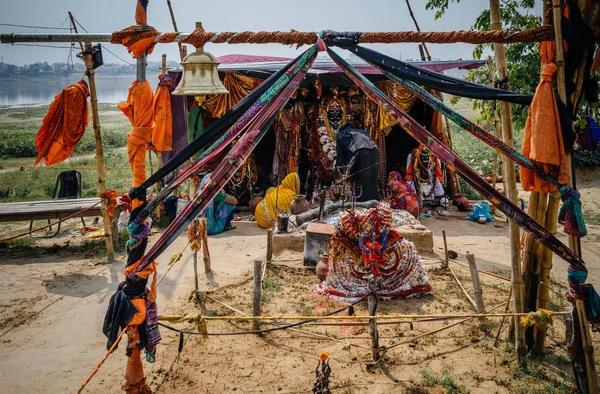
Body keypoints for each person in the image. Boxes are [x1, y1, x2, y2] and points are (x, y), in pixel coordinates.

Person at [335, 117, 380, 202]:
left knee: (358, 180)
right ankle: (375, 201)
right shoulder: (362, 132)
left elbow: (340, 158)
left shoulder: (340, 135)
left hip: (361, 152)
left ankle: (361, 204)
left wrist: (338, 176)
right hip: (375, 151)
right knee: (371, 180)